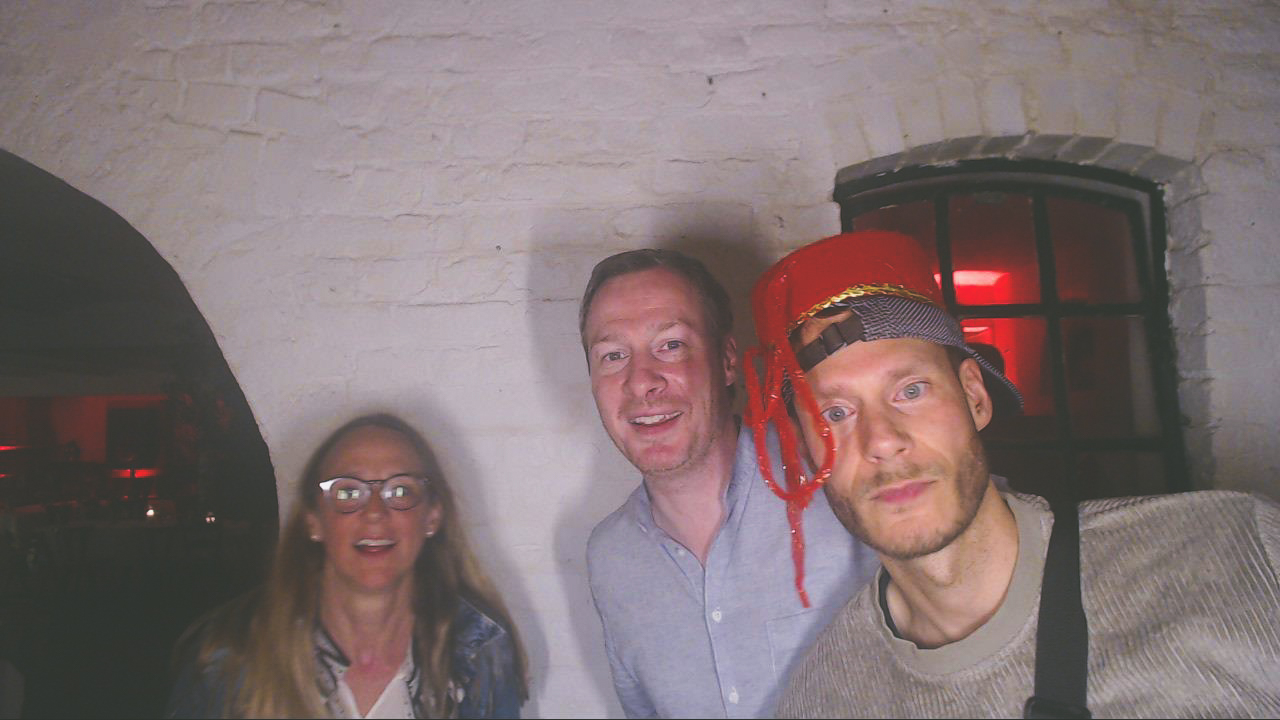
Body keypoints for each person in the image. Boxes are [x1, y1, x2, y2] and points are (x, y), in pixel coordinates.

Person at [738, 230, 1280, 718]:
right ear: (806, 451)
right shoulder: (824, 698)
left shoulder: (1242, 556)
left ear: (974, 397)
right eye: (835, 413)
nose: (882, 440)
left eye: (911, 390)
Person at [579, 249, 879, 718]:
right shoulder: (610, 558)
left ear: (726, 361)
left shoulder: (835, 481)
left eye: (670, 345)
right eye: (613, 356)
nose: (641, 382)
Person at [165, 413, 527, 718]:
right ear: (314, 520)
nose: (375, 512)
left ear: (432, 517)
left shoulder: (478, 651)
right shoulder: (227, 655)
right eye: (348, 492)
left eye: (401, 491)